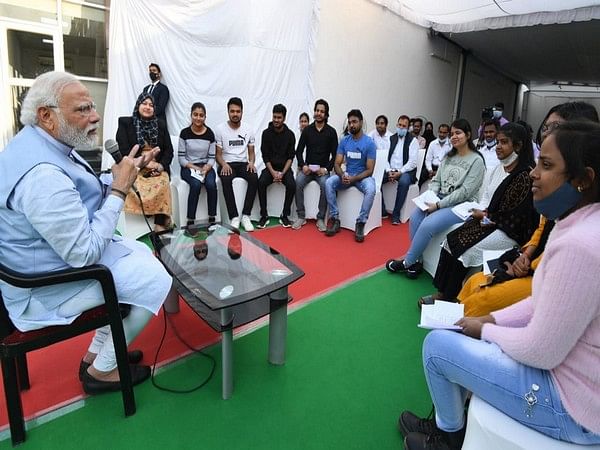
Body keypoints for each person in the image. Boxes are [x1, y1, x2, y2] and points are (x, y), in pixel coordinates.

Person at [399, 120, 600, 449]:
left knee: (436, 348)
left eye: (546, 165)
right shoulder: (579, 224)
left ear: (583, 180)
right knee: (464, 320)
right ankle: (445, 425)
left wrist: (485, 330)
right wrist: (491, 320)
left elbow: (542, 351)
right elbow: (541, 300)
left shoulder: (581, 244)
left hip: (571, 407)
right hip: (574, 389)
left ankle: (447, 437)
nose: (534, 174)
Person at [0, 71, 179, 394]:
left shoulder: (41, 143)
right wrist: (121, 189)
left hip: (48, 263)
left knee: (141, 253)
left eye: (92, 107)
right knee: (156, 278)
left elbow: (83, 194)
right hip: (42, 290)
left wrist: (126, 173)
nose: (95, 116)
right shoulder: (42, 176)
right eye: (82, 109)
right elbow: (83, 253)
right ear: (47, 116)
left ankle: (98, 353)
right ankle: (102, 371)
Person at [457, 100, 600, 316]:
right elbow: (542, 226)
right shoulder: (554, 197)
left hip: (542, 276)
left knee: (481, 300)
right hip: (531, 261)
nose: (535, 172)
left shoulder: (584, 226)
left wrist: (530, 265)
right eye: (546, 127)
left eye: (547, 165)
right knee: (474, 281)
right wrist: (527, 254)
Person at [420, 123, 538, 305]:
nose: (498, 146)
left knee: (467, 251)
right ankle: (444, 292)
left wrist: (485, 217)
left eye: (504, 142)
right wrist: (481, 213)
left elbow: (516, 217)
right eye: (497, 142)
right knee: (451, 239)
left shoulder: (525, 176)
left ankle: (452, 298)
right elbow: (487, 199)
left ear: (518, 146)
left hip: (510, 232)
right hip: (490, 220)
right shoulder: (498, 169)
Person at [386, 118, 485, 279]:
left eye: (458, 133)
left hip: (461, 206)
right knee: (415, 217)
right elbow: (437, 180)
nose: (454, 136)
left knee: (428, 224)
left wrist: (438, 205)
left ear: (468, 135)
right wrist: (430, 196)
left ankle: (407, 262)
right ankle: (417, 260)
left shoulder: (477, 160)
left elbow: (465, 192)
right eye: (452, 134)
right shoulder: (448, 156)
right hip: (439, 199)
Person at [116, 92, 174, 232]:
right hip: (135, 166)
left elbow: (168, 150)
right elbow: (123, 150)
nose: (148, 107)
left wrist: (160, 166)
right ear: (138, 105)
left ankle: (159, 223)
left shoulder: (160, 124)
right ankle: (141, 223)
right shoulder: (126, 123)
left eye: (151, 105)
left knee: (162, 182)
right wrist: (143, 162)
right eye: (144, 104)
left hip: (156, 168)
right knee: (134, 184)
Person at [324, 109, 376, 242]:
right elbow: (336, 164)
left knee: (371, 189)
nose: (351, 125)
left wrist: (354, 178)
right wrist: (342, 175)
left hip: (362, 178)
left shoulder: (369, 143)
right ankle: (335, 219)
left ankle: (360, 222)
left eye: (354, 122)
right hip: (346, 176)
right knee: (329, 182)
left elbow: (370, 170)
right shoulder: (344, 141)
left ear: (361, 122)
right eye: (349, 122)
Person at [292, 99, 338, 231]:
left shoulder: (331, 132)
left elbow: (335, 155)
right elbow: (299, 151)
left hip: (322, 171)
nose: (318, 113)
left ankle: (320, 218)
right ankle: (301, 216)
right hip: (307, 170)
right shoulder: (307, 130)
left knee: (326, 185)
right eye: (317, 110)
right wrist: (303, 165)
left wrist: (326, 169)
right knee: (298, 182)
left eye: (322, 111)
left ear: (326, 114)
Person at [215, 97, 257, 232]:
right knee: (226, 178)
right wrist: (224, 164)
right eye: (232, 111)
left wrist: (251, 162)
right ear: (228, 112)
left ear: (242, 112)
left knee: (254, 176)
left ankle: (246, 215)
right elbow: (218, 154)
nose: (235, 114)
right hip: (227, 163)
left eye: (238, 111)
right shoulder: (220, 129)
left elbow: (251, 151)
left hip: (242, 162)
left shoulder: (248, 129)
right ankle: (234, 217)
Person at [257, 104, 296, 228]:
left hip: (285, 169)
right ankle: (264, 215)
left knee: (292, 185)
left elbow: (291, 157)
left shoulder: (290, 135)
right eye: (274, 117)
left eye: (279, 117)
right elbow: (265, 156)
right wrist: (273, 172)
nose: (276, 120)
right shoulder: (266, 133)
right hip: (270, 168)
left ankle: (284, 215)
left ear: (284, 118)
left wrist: (282, 173)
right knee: (261, 182)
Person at [178, 102, 217, 226]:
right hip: (189, 167)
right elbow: (181, 159)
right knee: (196, 184)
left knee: (211, 185)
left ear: (205, 117)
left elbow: (212, 157)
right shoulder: (184, 133)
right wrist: (194, 168)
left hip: (206, 166)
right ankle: (191, 220)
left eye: (201, 115)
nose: (198, 118)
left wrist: (207, 167)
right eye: (195, 114)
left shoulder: (210, 134)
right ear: (191, 116)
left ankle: (212, 217)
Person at [381, 115, 420, 225]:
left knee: (404, 182)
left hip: (406, 171)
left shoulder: (413, 141)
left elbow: (412, 162)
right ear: (397, 125)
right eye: (400, 125)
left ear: (408, 128)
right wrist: (389, 171)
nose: (401, 128)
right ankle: (383, 210)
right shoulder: (391, 138)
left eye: (404, 126)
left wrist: (400, 172)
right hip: (391, 169)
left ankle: (396, 214)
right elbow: (385, 157)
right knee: (376, 179)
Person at [142, 63, 170, 128]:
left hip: (157, 122)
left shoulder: (163, 89)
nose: (152, 73)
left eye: (154, 70)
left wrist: (147, 114)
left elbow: (161, 107)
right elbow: (142, 104)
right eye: (150, 71)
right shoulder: (145, 89)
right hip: (144, 122)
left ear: (159, 74)